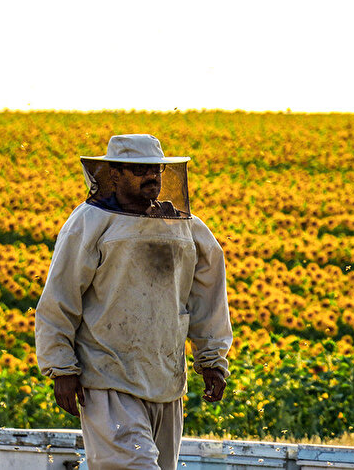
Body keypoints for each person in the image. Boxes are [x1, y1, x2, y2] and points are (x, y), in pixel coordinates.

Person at [35, 134, 232, 470]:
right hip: (107, 377)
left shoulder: (187, 228)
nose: (151, 176)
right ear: (114, 174)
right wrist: (61, 367)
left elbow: (208, 298)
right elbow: (60, 298)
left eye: (156, 169)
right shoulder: (89, 222)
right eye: (140, 170)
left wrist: (212, 359)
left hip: (166, 380)